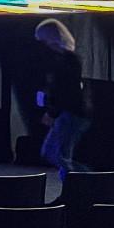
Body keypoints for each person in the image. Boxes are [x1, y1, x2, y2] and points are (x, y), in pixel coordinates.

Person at [35, 18, 90, 178]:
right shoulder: (61, 59)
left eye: (43, 39)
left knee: (59, 155)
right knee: (54, 153)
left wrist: (51, 112)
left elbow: (66, 92)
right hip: (68, 113)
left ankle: (92, 182)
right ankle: (80, 187)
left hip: (73, 114)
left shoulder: (68, 60)